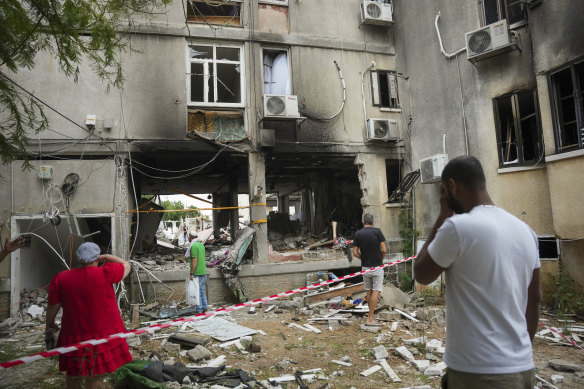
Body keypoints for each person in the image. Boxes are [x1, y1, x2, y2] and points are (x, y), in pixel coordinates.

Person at [414, 156, 540, 389]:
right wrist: (519, 352)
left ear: (452, 186)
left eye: (443, 191)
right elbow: (534, 300)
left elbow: (421, 273)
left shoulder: (458, 228)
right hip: (522, 369)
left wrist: (443, 215)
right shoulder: (526, 232)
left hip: (477, 372)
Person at [45, 242, 133, 389]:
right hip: (102, 336)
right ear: (96, 258)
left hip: (73, 336)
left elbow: (53, 306)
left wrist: (50, 324)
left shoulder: (61, 278)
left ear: (79, 259)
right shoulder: (106, 272)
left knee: (73, 375)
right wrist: (105, 257)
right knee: (95, 375)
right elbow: (127, 265)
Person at [352, 214, 387, 326]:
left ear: (363, 222)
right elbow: (384, 249)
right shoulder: (377, 231)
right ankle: (370, 317)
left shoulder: (358, 234)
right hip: (377, 266)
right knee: (376, 290)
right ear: (373, 222)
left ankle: (371, 316)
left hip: (365, 267)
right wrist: (380, 259)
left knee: (369, 291)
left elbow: (354, 252)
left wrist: (362, 258)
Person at [186, 232, 207, 313]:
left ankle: (199, 310)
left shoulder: (193, 246)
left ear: (190, 237)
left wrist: (191, 273)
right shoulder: (201, 245)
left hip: (197, 273)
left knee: (197, 292)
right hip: (203, 271)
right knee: (202, 290)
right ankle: (204, 307)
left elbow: (195, 260)